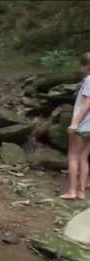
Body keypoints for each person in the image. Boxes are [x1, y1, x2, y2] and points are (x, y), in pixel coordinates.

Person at [61, 52, 90, 200]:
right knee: (83, 158)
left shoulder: (89, 80)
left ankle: (72, 191)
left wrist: (74, 123)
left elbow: (87, 103)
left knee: (73, 156)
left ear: (86, 66)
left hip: (82, 125)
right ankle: (82, 192)